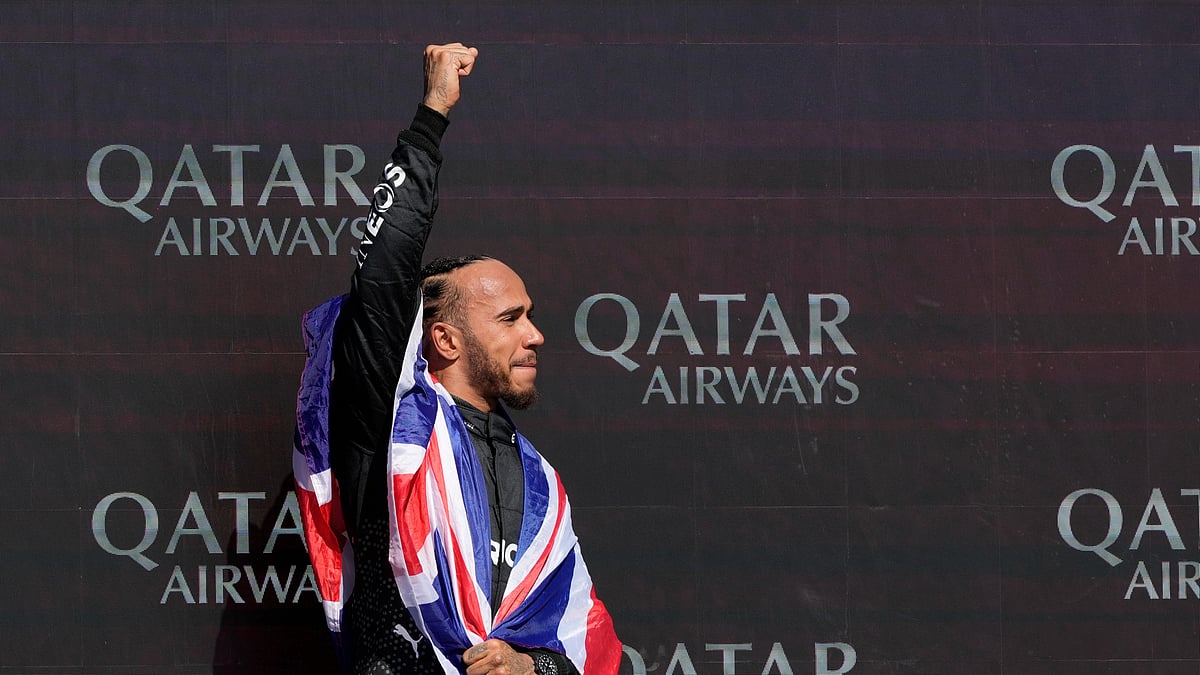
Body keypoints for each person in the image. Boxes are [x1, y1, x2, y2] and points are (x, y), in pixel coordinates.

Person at [293, 43, 620, 675]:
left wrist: (528, 668)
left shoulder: (541, 482)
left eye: (529, 316)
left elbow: (581, 641)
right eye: (509, 319)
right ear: (444, 341)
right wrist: (432, 114)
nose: (536, 335)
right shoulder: (392, 427)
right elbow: (384, 274)